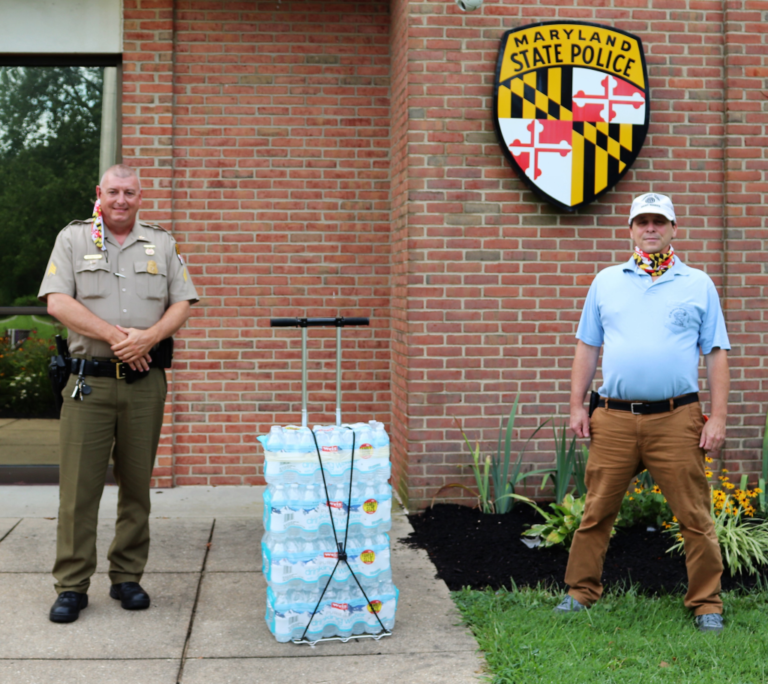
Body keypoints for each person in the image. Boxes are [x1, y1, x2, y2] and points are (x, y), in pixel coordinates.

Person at [557, 193, 730, 633]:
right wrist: (577, 405)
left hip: (677, 418)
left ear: (673, 228)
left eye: (659, 221)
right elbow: (587, 346)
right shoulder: (607, 281)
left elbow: (715, 353)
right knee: (595, 512)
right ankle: (580, 592)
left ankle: (707, 603)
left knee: (694, 516)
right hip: (613, 418)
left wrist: (719, 416)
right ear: (630, 229)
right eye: (642, 221)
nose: (650, 228)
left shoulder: (698, 283)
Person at [38, 164, 198, 623]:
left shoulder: (161, 243)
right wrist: (118, 337)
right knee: (77, 493)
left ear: (140, 196)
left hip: (145, 385)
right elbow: (57, 301)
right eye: (114, 192)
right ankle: (71, 585)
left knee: (136, 489)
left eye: (129, 192)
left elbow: (182, 302)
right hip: (88, 384)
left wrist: (147, 340)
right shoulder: (73, 239)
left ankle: (127, 577)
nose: (121, 200)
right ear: (100, 194)